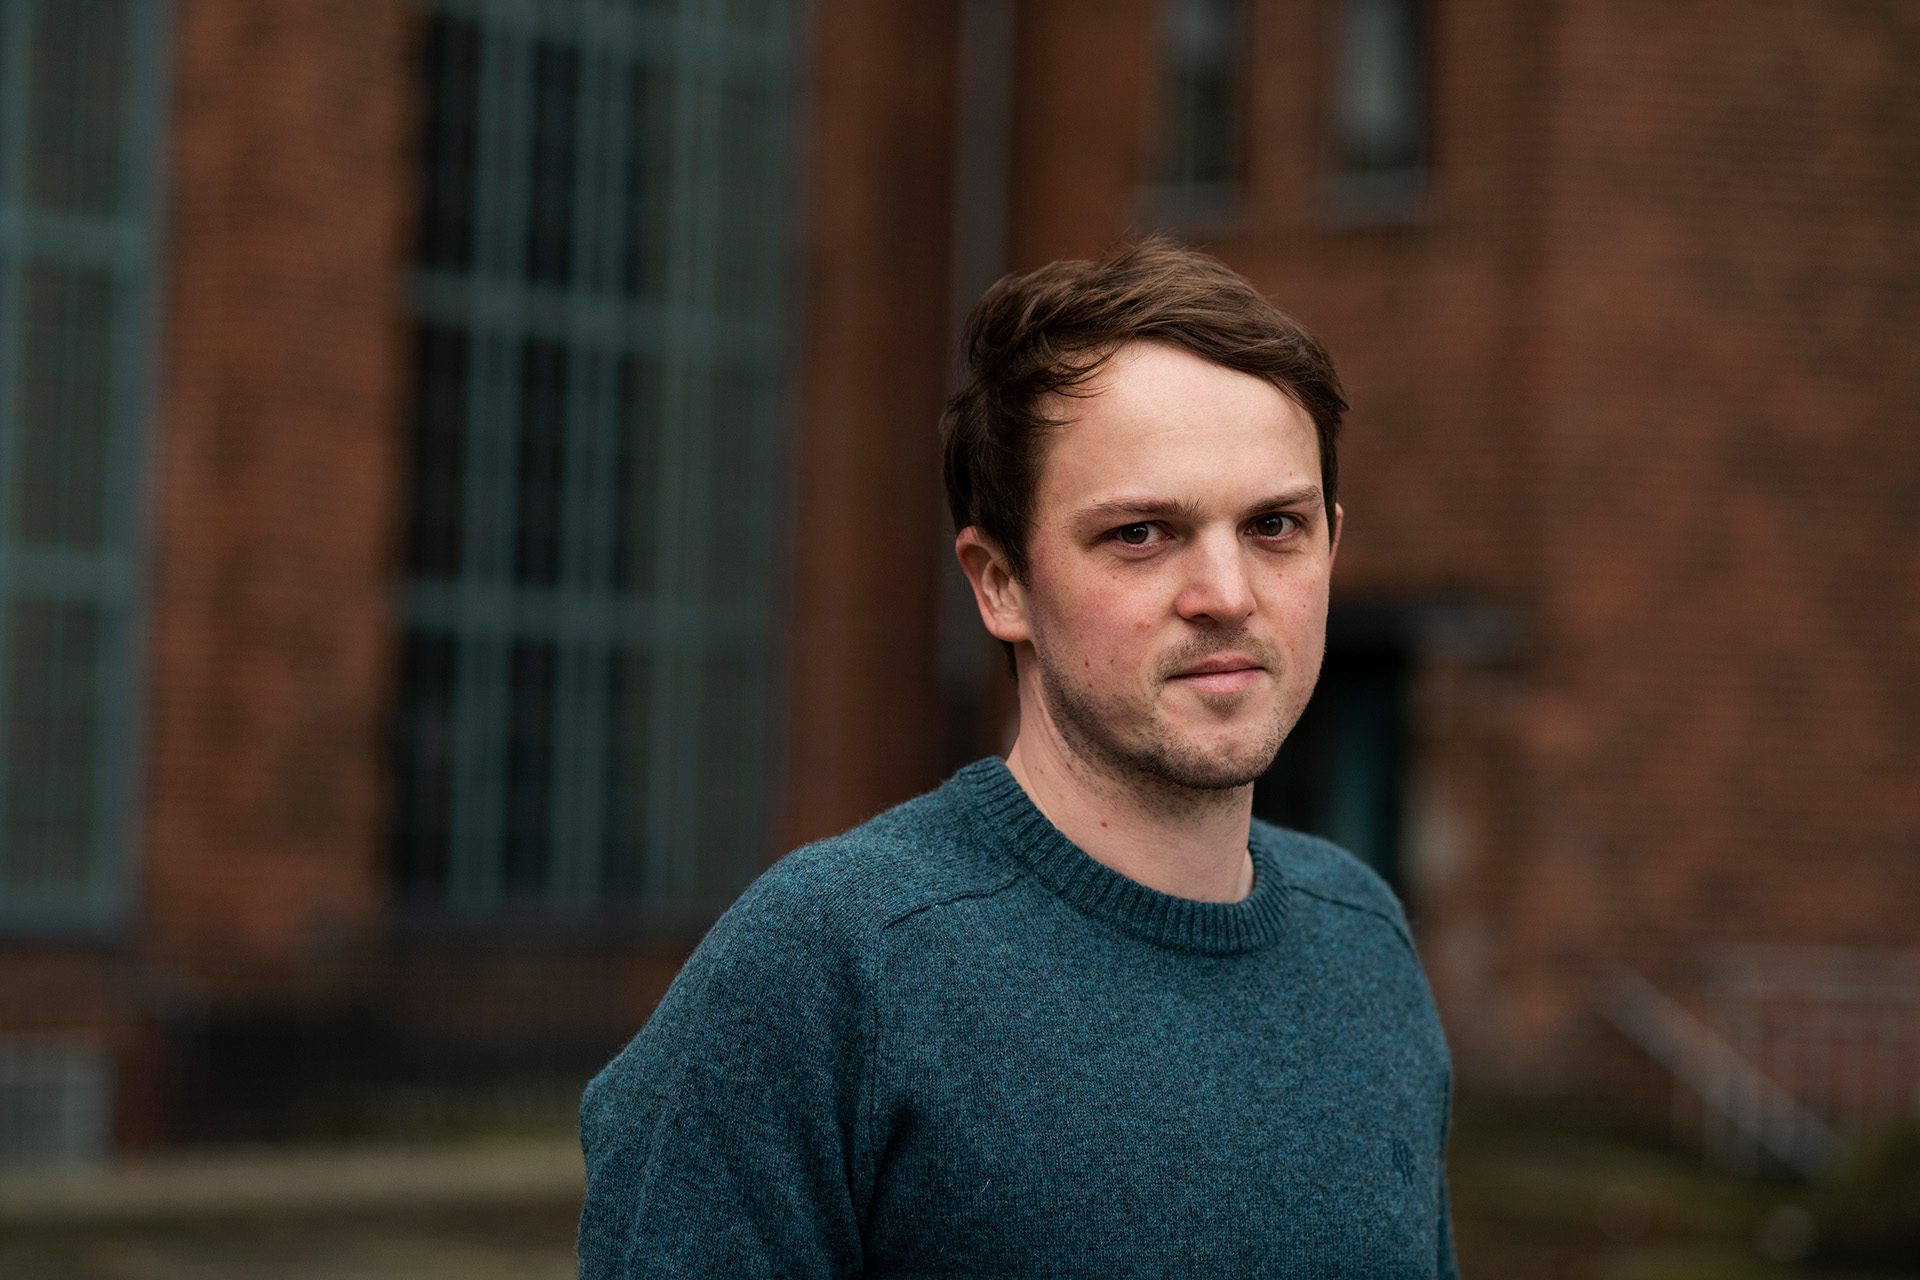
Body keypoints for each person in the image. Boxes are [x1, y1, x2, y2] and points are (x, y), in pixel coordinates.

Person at [578, 237, 1456, 1278]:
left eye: (1275, 524)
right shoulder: (829, 965)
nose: (1226, 590)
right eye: (1142, 532)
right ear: (999, 582)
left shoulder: (1366, 941)